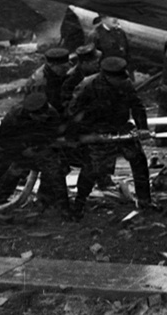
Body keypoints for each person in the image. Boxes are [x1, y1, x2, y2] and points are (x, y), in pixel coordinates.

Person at [67, 56, 157, 217]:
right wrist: (83, 135)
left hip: (121, 128)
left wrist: (143, 128)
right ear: (106, 76)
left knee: (139, 162)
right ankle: (78, 205)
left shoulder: (125, 83)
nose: (120, 82)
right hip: (97, 130)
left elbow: (136, 105)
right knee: (92, 169)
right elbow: (73, 113)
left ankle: (145, 201)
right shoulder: (88, 85)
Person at [0, 90, 67, 215]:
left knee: (54, 168)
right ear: (31, 114)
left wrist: (36, 148)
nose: (43, 119)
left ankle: (54, 204)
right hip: (12, 146)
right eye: (39, 117)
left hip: (35, 147)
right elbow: (2, 140)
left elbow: (51, 136)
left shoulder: (52, 115)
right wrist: (21, 150)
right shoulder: (14, 116)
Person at [25, 46, 74, 121]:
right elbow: (40, 105)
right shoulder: (40, 82)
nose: (67, 70)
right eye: (63, 68)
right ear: (52, 65)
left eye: (67, 67)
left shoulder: (59, 70)